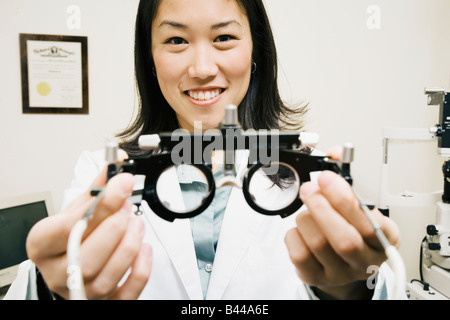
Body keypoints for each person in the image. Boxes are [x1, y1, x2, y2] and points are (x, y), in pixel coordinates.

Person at [5, 0, 401, 300]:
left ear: (256, 51)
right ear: (151, 58)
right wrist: (53, 287)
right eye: (176, 40)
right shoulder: (101, 169)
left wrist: (352, 287)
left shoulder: (307, 172)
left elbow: (376, 285)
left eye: (223, 37)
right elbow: (56, 277)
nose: (201, 67)